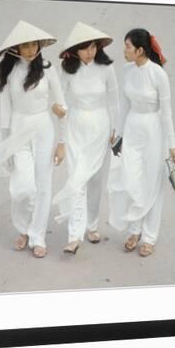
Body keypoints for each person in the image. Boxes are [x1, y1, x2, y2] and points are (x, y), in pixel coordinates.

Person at [0, 20, 66, 258]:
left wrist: (62, 142)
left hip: (43, 129)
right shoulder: (8, 72)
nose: (30, 50)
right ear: (15, 48)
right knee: (22, 189)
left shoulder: (48, 68)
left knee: (43, 186)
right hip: (18, 129)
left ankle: (37, 235)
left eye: (34, 45)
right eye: (25, 45)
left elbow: (61, 106)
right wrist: (4, 144)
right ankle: (23, 229)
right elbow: (5, 111)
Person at [107, 29, 175, 257]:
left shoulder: (159, 74)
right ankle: (134, 229)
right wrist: (117, 134)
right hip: (132, 129)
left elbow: (167, 113)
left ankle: (148, 236)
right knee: (131, 180)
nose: (124, 50)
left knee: (152, 183)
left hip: (153, 132)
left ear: (140, 50)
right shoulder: (127, 70)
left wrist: (173, 145)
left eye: (127, 46)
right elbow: (124, 106)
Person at [51, 22, 119, 255]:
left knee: (96, 181)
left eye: (93, 47)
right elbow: (60, 103)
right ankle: (74, 236)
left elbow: (114, 101)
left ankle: (92, 226)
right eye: (85, 48)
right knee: (77, 178)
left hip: (101, 127)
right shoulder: (67, 71)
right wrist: (60, 129)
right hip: (75, 127)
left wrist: (115, 131)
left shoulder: (107, 69)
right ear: (74, 51)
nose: (90, 52)